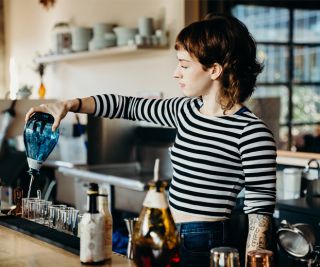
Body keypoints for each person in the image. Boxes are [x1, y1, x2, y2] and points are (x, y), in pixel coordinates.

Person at [26, 14, 276, 267]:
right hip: (165, 230)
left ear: (214, 69)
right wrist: (71, 104)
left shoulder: (251, 131)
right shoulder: (185, 111)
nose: (176, 73)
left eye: (184, 65)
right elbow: (128, 106)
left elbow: (260, 217)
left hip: (204, 241)